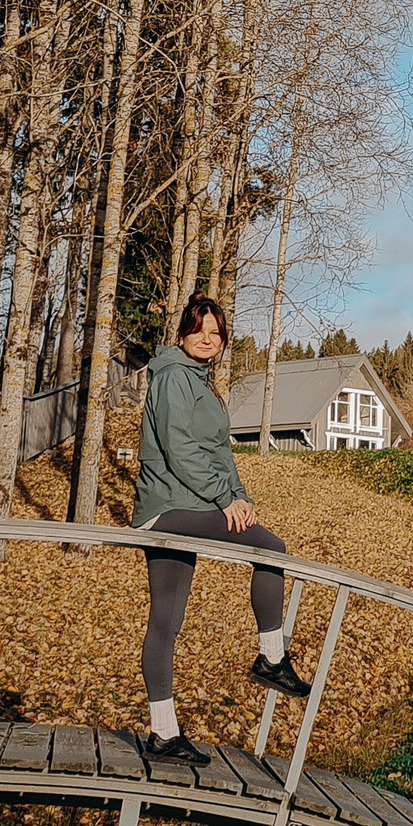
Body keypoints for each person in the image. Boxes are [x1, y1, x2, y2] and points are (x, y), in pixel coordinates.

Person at [134, 295, 310, 763]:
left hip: (190, 504)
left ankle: (163, 735)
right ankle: (271, 659)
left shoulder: (202, 382)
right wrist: (222, 498)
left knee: (166, 620)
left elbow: (220, 453)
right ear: (182, 334)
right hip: (168, 507)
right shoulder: (173, 377)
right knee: (269, 547)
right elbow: (179, 450)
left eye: (216, 333)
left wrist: (239, 496)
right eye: (199, 330)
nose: (207, 339)